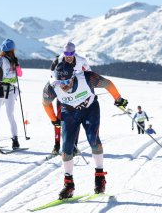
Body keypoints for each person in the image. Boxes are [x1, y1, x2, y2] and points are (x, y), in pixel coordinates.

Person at [42, 62, 128, 199]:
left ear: (73, 76)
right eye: (60, 81)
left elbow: (108, 84)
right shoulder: (52, 86)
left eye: (67, 81)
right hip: (69, 113)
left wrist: (118, 98)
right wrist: (54, 119)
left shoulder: (87, 78)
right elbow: (46, 103)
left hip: (90, 110)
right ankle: (68, 184)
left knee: (93, 139)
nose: (63, 85)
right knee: (66, 148)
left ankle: (99, 177)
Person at [49, 41, 91, 156]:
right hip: (62, 94)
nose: (68, 56)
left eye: (70, 53)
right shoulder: (57, 61)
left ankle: (74, 145)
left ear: (74, 52)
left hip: (77, 94)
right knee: (59, 119)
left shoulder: (81, 60)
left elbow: (89, 74)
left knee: (75, 120)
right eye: (66, 53)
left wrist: (88, 89)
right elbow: (51, 77)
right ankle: (56, 145)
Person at [0, 39, 22, 150]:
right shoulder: (14, 60)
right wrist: (16, 65)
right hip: (11, 90)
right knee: (10, 116)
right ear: (12, 49)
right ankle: (15, 141)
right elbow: (20, 74)